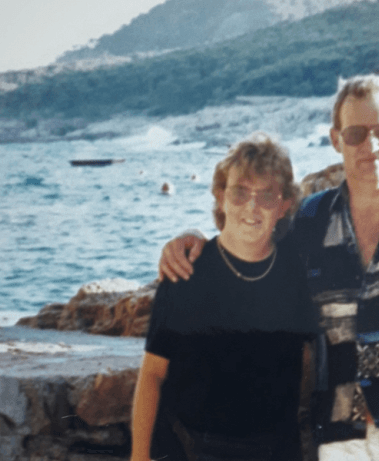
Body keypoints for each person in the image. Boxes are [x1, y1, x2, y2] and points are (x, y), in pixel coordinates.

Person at [159, 75, 379, 461]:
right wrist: (193, 241)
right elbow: (247, 252)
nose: (371, 145)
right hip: (343, 441)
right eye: (356, 134)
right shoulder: (308, 223)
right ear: (336, 141)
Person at [131, 132, 318, 461]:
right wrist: (139, 456)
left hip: (277, 451)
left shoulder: (298, 268)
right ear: (220, 197)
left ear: (284, 204)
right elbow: (152, 375)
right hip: (193, 450)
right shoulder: (186, 271)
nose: (252, 205)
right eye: (240, 192)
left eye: (266, 195)